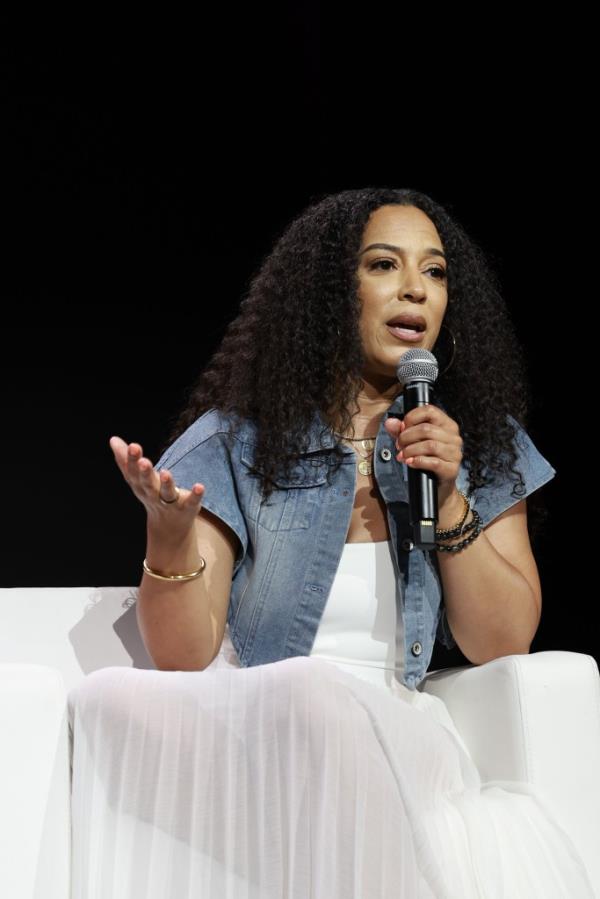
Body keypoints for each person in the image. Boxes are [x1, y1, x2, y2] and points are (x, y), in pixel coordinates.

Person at [68, 188, 594, 897]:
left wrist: (451, 493)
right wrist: (167, 540)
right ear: (327, 295)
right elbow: (183, 655)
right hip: (263, 730)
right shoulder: (238, 442)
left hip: (400, 733)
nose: (415, 289)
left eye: (435, 273)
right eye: (384, 265)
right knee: (140, 697)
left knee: (323, 699)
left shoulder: (479, 445)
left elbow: (502, 641)